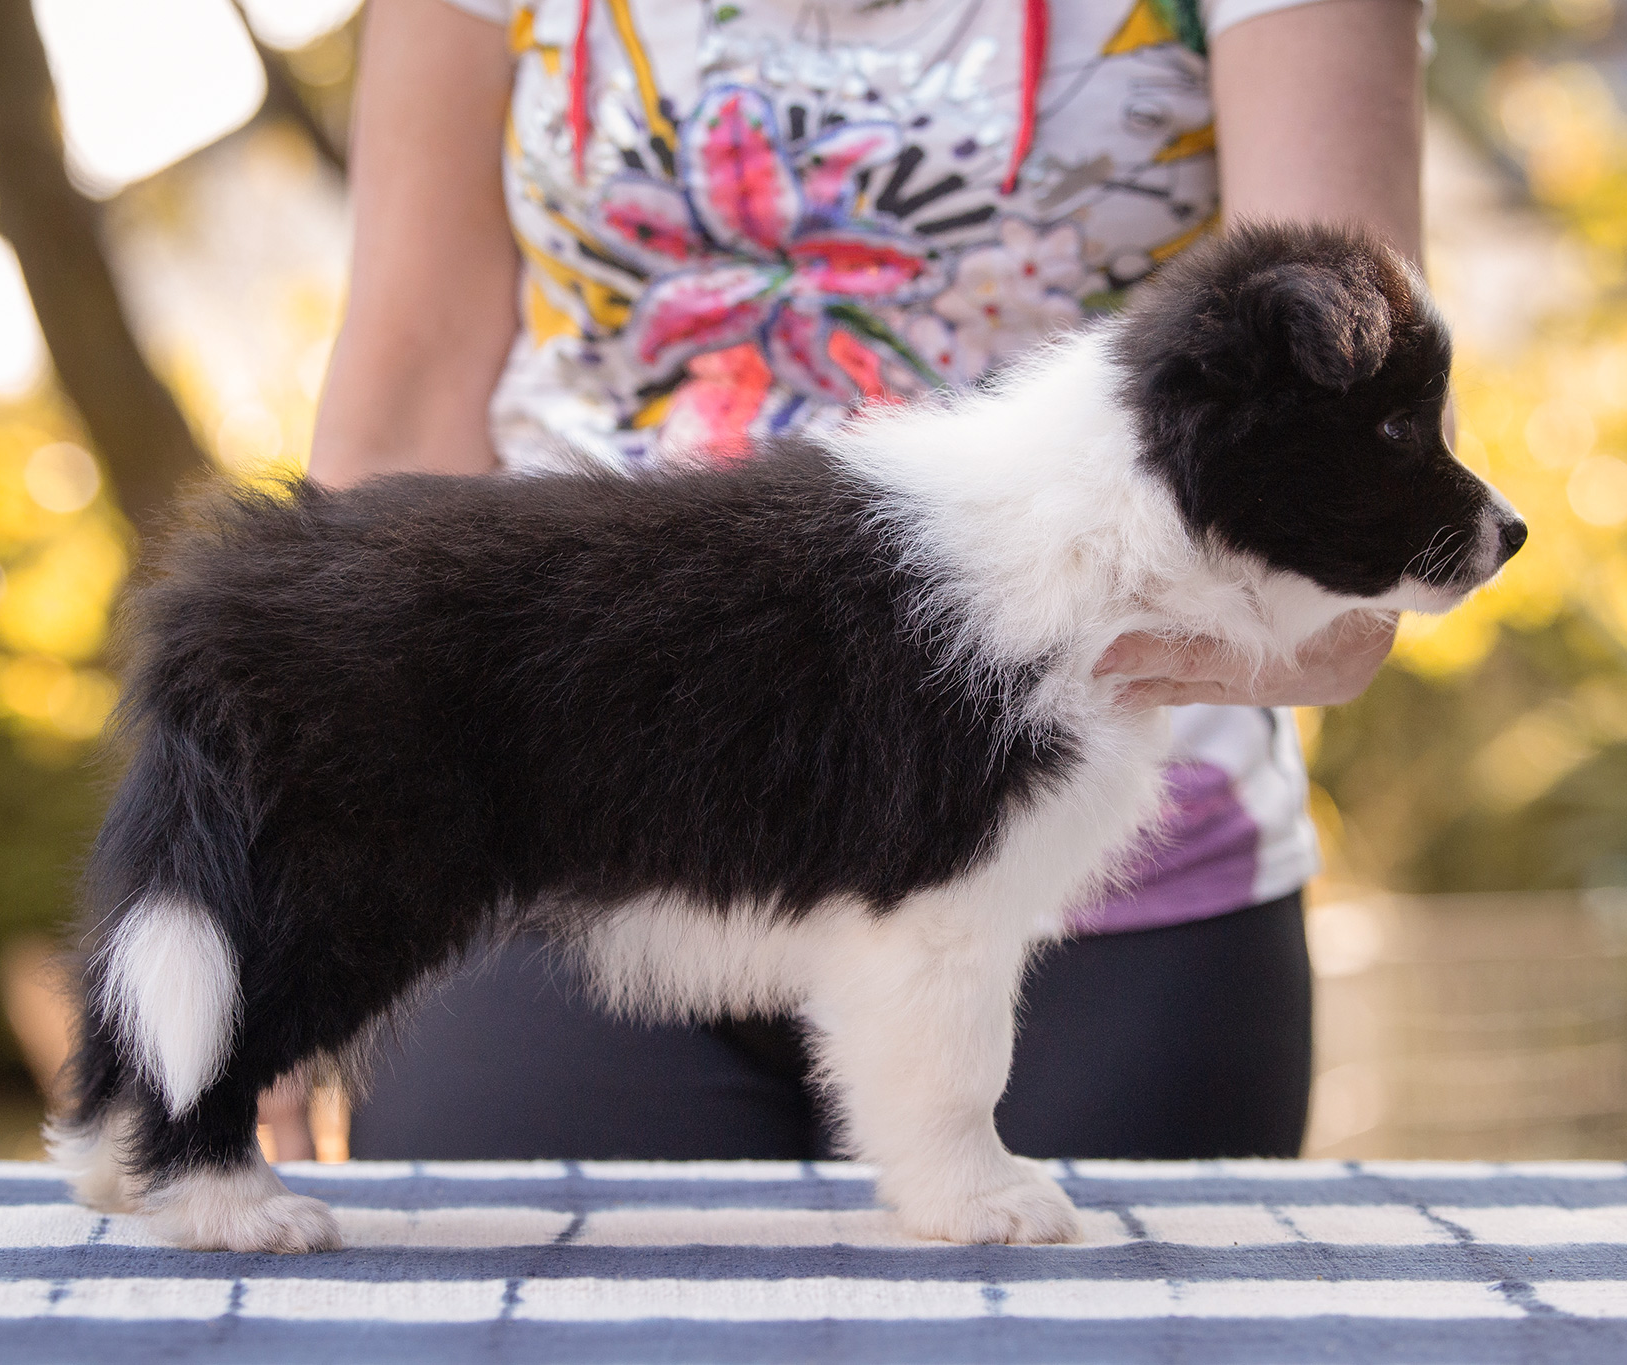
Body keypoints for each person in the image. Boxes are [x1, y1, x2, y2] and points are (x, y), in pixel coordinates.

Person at [286, 0, 1428, 1161]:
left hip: (1083, 867)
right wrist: (277, 849)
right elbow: (401, 416)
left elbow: (1361, 402)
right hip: (558, 821)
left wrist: (1312, 615)